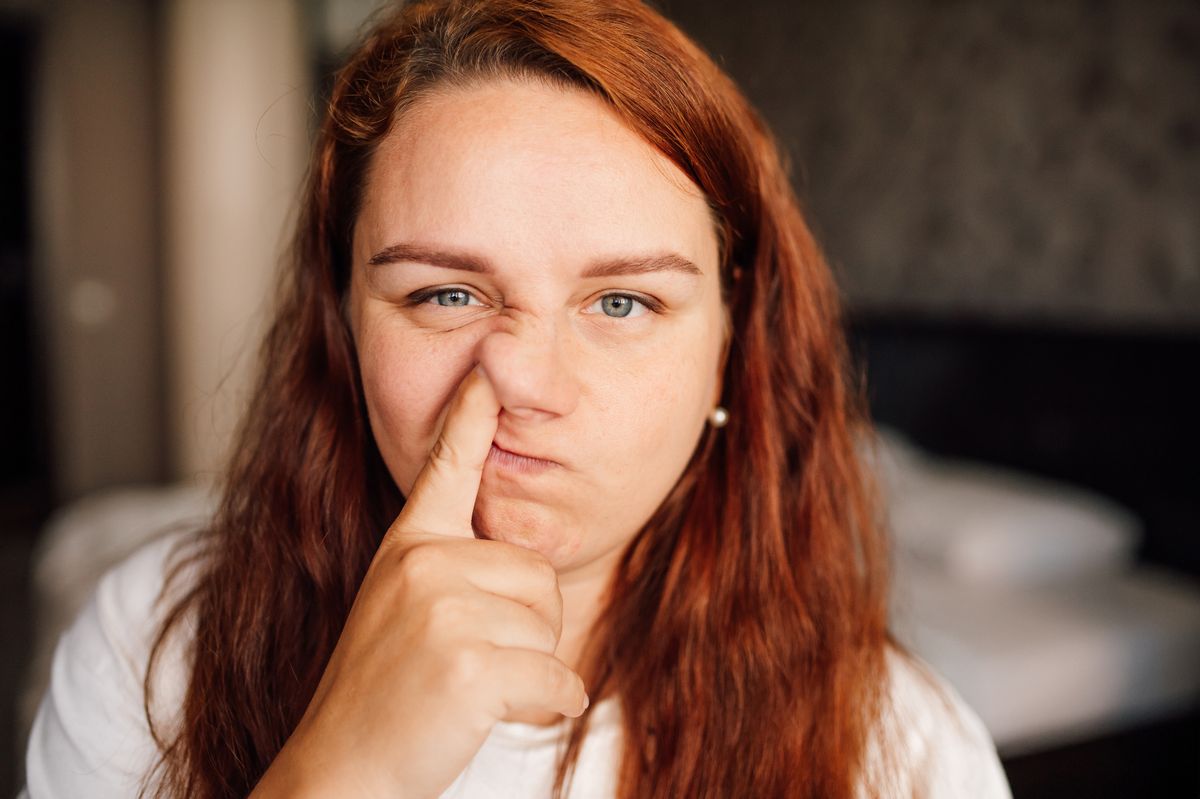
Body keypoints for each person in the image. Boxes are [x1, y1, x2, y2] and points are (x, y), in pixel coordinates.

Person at [24, 1, 1011, 797]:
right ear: (345, 322)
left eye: (622, 300)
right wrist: (342, 773)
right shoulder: (153, 642)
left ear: (727, 343)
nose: (525, 383)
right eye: (445, 293)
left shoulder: (901, 752)